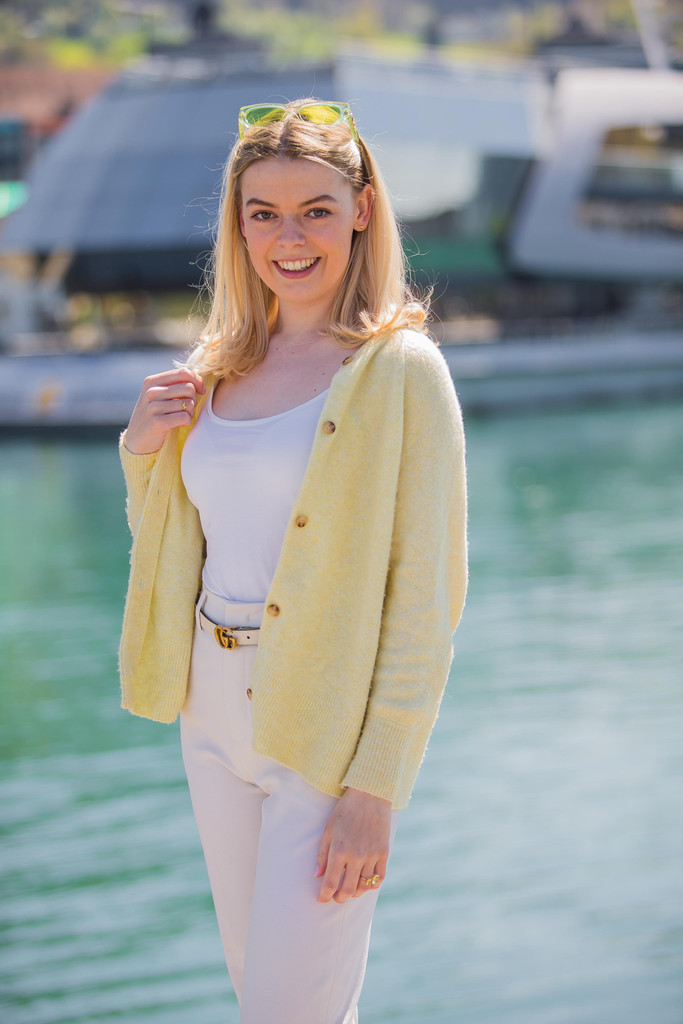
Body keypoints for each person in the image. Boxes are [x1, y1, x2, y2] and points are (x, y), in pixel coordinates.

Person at [118, 98, 468, 1023]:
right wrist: (141, 451)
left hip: (323, 728)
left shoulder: (401, 371)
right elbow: (173, 549)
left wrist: (375, 788)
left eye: (315, 209)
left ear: (361, 210)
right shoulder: (214, 365)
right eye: (263, 213)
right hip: (208, 716)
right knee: (273, 1002)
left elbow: (425, 601)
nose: (289, 237)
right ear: (238, 226)